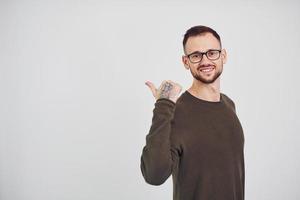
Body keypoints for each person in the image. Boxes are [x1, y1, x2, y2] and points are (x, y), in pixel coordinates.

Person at [140, 25, 245, 200]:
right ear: (185, 61)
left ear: (223, 56)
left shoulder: (228, 105)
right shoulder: (174, 111)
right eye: (196, 55)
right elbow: (154, 175)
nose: (205, 61)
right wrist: (163, 104)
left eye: (212, 52)